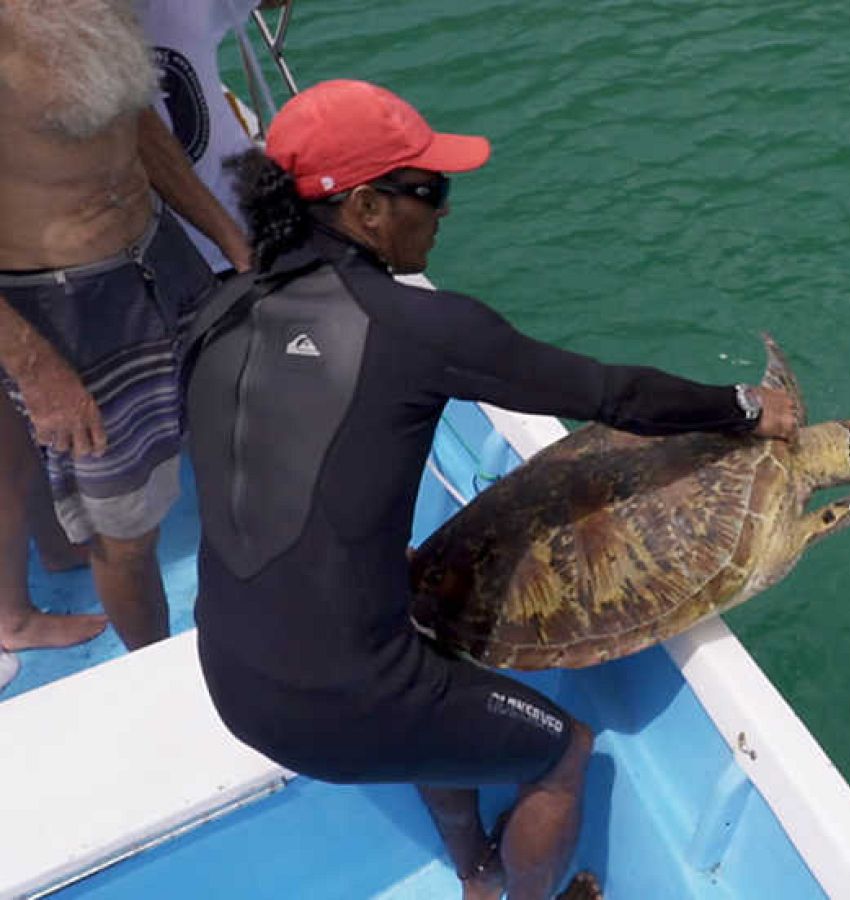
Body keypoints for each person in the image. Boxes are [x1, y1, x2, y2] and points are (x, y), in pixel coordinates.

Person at [185, 79, 798, 900]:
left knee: (425, 663)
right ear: (366, 208)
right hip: (339, 704)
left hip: (228, 673)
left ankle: (476, 867)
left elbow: (271, 468)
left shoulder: (217, 310)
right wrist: (748, 408)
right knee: (564, 750)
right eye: (429, 189)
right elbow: (613, 395)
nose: (444, 210)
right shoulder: (417, 327)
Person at [0, 0, 252, 684]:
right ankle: (160, 678)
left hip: (159, 252)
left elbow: (139, 123)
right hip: (62, 305)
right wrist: (37, 370)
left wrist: (230, 239)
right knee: (125, 528)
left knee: (229, 419)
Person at [141, 0, 284, 274]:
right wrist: (235, 246)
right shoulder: (72, 34)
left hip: (253, 224)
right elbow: (138, 132)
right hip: (173, 261)